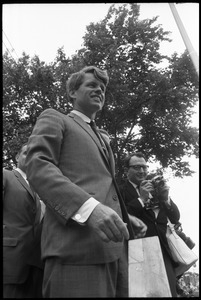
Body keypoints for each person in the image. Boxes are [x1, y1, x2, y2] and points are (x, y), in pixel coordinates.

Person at [25, 66, 147, 298]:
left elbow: (101, 187)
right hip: (76, 253)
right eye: (91, 85)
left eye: (102, 88)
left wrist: (125, 217)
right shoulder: (55, 118)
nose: (99, 90)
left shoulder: (102, 138)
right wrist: (89, 210)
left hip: (117, 255)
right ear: (72, 92)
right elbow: (38, 166)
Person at [120, 152, 180, 297]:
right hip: (136, 250)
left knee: (169, 291)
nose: (142, 171)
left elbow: (175, 217)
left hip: (163, 249)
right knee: (141, 292)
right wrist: (141, 199)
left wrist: (166, 199)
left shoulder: (156, 188)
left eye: (144, 167)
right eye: (137, 167)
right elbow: (122, 215)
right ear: (127, 170)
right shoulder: (120, 189)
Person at [3, 143, 44, 298]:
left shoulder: (40, 187)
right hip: (10, 259)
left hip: (33, 263)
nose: (31, 157)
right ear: (17, 156)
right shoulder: (6, 175)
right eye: (27, 153)